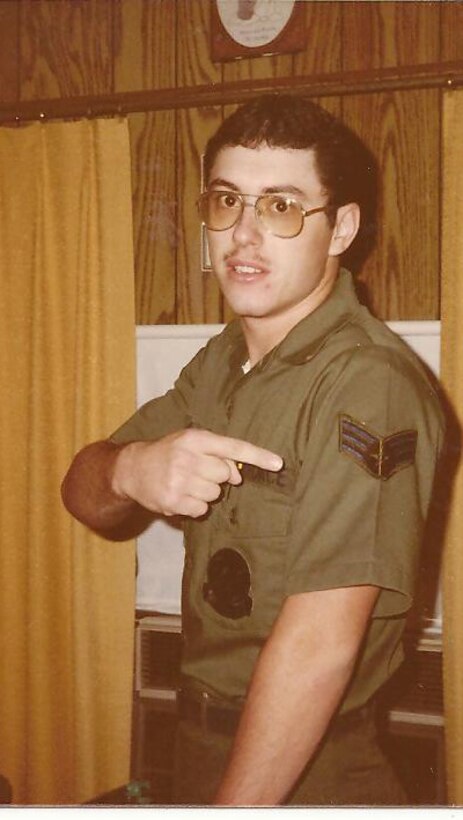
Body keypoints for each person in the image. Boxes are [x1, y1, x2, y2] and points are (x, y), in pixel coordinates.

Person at [61, 95, 445, 806]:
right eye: (227, 201)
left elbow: (318, 649)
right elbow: (83, 494)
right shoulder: (223, 360)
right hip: (206, 744)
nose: (242, 235)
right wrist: (130, 468)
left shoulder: (364, 383)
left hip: (304, 772)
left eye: (280, 207)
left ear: (341, 230)